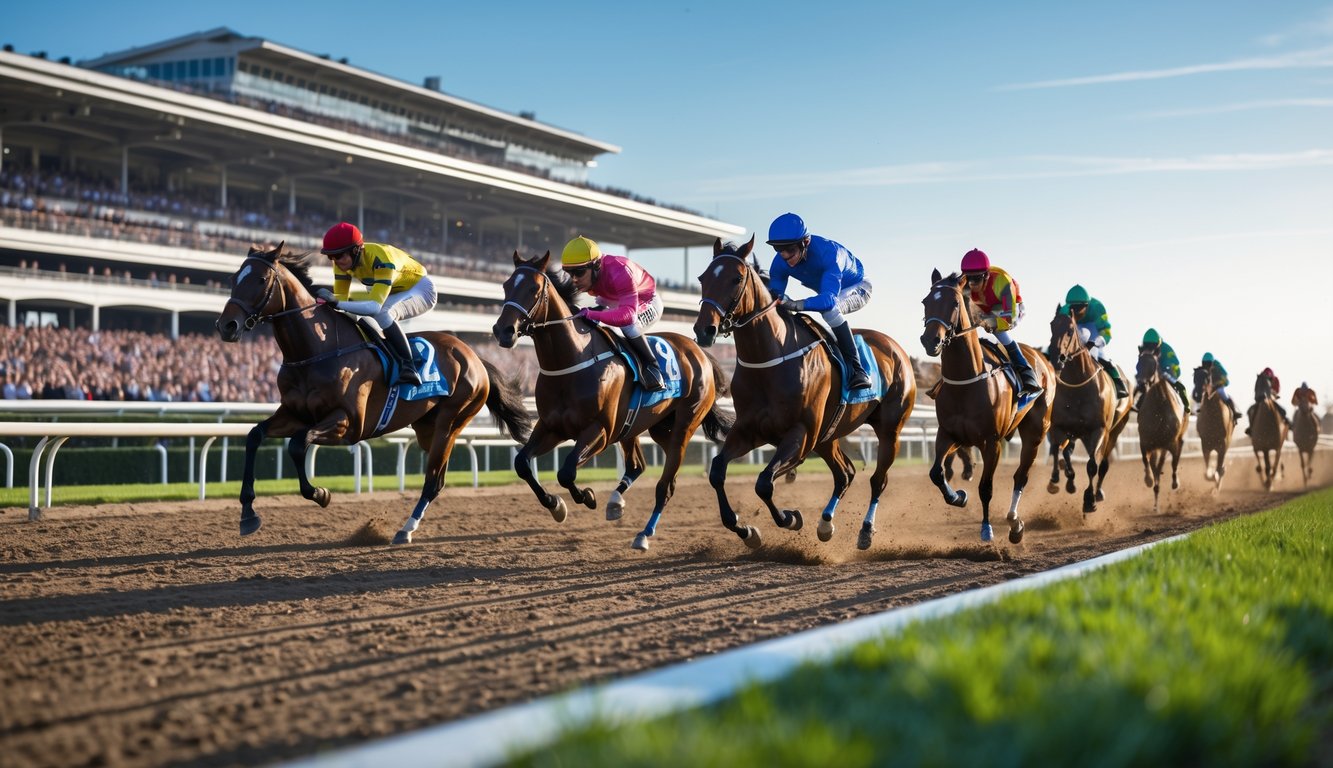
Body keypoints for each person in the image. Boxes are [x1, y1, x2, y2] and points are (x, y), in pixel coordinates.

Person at [315, 222, 436, 387]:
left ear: (356, 250)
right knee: (355, 309)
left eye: (339, 255)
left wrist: (336, 302)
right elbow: (341, 299)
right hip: (394, 290)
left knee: (380, 313)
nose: (335, 261)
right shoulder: (341, 264)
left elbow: (373, 307)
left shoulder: (382, 259)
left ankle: (409, 366)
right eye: (331, 257)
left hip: (420, 289)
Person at [764, 212, 872, 390]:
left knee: (830, 311)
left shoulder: (830, 253)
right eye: (778, 249)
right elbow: (774, 296)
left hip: (858, 287)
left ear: (805, 242)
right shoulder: (780, 262)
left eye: (790, 249)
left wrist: (796, 304)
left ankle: (857, 370)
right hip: (829, 291)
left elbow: (828, 300)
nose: (785, 256)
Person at [560, 235, 666, 391]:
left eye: (579, 272)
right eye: (570, 273)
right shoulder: (589, 274)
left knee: (626, 326)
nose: (574, 279)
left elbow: (628, 315)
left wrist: (592, 314)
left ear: (596, 265)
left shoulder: (619, 270)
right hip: (613, 299)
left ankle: (652, 367)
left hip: (646, 301)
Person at [958, 248, 1040, 397]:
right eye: (968, 278)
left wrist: (987, 322)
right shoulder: (964, 283)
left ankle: (1028, 375)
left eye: (976, 279)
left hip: (1009, 309)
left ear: (986, 275)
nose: (971, 284)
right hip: (984, 307)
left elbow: (1008, 320)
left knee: (999, 332)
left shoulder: (1002, 282)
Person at [1057, 285, 1127, 399]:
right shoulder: (1065, 310)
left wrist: (1094, 342)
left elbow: (1106, 332)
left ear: (1087, 305)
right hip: (1074, 328)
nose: (1075, 312)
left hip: (1094, 328)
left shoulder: (1097, 308)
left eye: (1079, 308)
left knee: (1099, 354)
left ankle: (1118, 382)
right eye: (1073, 308)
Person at [1135, 328, 1189, 413]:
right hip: (1151, 375)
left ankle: (1186, 407)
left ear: (1158, 344)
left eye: (1152, 346)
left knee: (1180, 386)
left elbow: (1173, 363)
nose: (1150, 349)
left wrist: (1163, 370)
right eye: (1147, 346)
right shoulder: (1145, 350)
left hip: (1168, 372)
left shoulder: (1166, 349)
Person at [1246, 367, 1291, 434]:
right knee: (1282, 410)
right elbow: (1264, 391)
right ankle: (1286, 420)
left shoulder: (1263, 378)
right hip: (1264, 399)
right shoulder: (1264, 379)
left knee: (1250, 411)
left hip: (1263, 399)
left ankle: (1251, 427)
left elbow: (1257, 390)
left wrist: (1271, 394)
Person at [1196, 352, 1239, 422]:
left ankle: (1234, 412)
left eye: (1208, 364)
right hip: (1210, 387)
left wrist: (1218, 383)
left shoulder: (1218, 367)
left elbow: (1225, 378)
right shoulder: (1205, 369)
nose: (1206, 366)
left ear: (1211, 363)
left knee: (1221, 392)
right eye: (1205, 364)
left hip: (1219, 386)